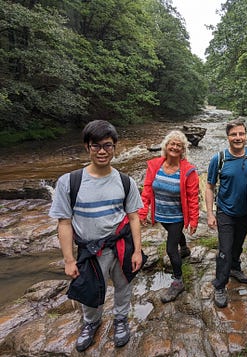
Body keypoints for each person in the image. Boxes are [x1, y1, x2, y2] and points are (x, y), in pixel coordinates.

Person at [49, 120, 145, 352]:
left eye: (108, 145)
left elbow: (134, 217)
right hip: (90, 250)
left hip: (121, 246)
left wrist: (138, 250)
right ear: (87, 147)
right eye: (96, 146)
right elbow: (64, 223)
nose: (102, 151)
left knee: (123, 285)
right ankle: (91, 323)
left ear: (115, 147)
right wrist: (69, 259)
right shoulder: (70, 182)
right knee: (89, 288)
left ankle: (121, 319)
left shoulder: (125, 182)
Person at [139, 130, 199, 303]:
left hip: (178, 216)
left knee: (171, 249)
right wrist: (143, 211)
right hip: (160, 214)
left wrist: (194, 219)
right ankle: (185, 248)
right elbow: (147, 190)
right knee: (175, 235)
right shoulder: (154, 165)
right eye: (172, 144)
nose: (174, 147)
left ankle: (178, 281)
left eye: (178, 145)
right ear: (165, 146)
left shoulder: (188, 171)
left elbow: (193, 197)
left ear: (183, 150)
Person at [205, 120, 247, 308]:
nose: (238, 138)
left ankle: (235, 268)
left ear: (246, 135)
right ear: (228, 137)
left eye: (241, 134)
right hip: (225, 211)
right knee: (225, 249)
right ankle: (220, 285)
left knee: (238, 244)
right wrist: (210, 213)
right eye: (234, 134)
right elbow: (209, 187)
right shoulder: (219, 158)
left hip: (246, 211)